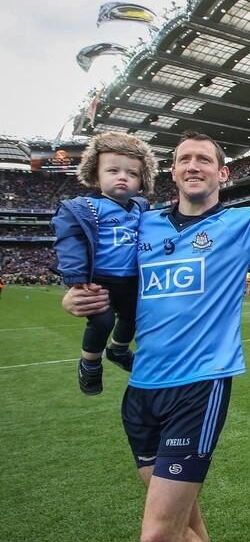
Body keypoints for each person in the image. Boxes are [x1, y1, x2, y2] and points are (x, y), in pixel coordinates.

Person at [60, 76, 250, 542]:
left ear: (222, 174)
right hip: (141, 389)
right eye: (185, 158)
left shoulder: (238, 225)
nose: (193, 166)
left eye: (204, 159)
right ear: (172, 171)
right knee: (186, 525)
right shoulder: (138, 223)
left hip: (198, 386)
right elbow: (102, 276)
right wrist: (76, 297)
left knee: (159, 538)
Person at [51, 132, 156, 395]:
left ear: (141, 181)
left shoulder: (141, 208)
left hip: (133, 279)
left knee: (135, 316)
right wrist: (75, 277)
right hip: (100, 279)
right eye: (113, 170)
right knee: (102, 321)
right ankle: (90, 363)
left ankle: (118, 350)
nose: (123, 177)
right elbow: (71, 240)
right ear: (96, 176)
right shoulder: (84, 207)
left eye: (132, 174)